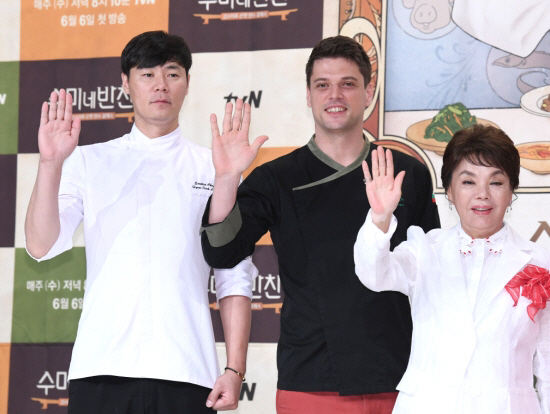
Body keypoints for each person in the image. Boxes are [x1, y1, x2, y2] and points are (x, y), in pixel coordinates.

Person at [200, 35, 440, 413]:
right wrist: (227, 178)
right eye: (323, 85)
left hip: (401, 379)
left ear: (369, 92)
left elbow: (433, 276)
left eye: (348, 84)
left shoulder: (408, 172)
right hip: (310, 380)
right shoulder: (278, 178)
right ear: (308, 96)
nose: (335, 95)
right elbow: (221, 250)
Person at [24, 31, 257, 413]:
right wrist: (50, 164)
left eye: (172, 73)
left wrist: (234, 369)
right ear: (125, 83)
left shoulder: (216, 167)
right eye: (147, 74)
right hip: (100, 369)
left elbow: (233, 275)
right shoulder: (89, 161)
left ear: (187, 83)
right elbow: (40, 245)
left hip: (188, 371)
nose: (160, 85)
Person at [354, 124, 550, 413]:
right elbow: (373, 273)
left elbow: (547, 362)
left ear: (511, 191)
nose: (482, 194)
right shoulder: (424, 250)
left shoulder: (540, 263)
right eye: (468, 182)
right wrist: (380, 217)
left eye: (496, 182)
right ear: (449, 191)